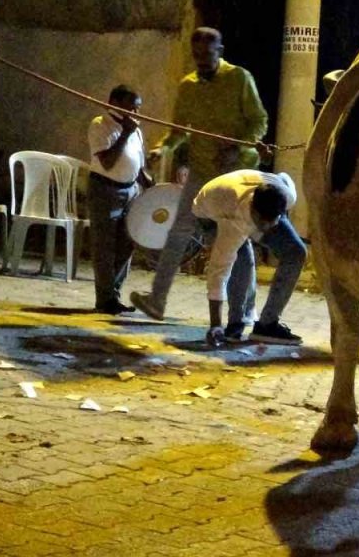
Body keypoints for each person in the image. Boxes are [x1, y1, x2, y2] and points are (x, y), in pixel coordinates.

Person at [131, 27, 269, 320]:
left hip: (236, 172)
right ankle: (157, 300)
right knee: (178, 232)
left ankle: (245, 310)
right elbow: (178, 132)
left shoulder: (239, 79)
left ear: (220, 50)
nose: (201, 61)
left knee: (238, 240)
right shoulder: (188, 86)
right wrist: (162, 149)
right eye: (197, 56)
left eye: (207, 55)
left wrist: (236, 146)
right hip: (202, 170)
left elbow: (259, 121)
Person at [192, 169, 306, 346]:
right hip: (209, 210)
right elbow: (218, 272)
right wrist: (215, 324)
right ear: (254, 211)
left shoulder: (287, 196)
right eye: (263, 223)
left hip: (248, 191)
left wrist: (273, 225)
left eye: (273, 221)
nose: (268, 228)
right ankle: (234, 326)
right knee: (241, 261)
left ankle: (267, 325)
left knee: (296, 251)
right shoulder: (234, 222)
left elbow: (284, 177)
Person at [87, 85, 151, 314]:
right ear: (114, 102)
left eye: (138, 107)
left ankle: (113, 294)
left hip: (131, 190)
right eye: (132, 106)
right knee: (105, 247)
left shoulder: (136, 130)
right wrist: (125, 132)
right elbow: (107, 162)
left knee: (127, 243)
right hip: (106, 190)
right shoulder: (100, 125)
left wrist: (151, 187)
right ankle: (104, 300)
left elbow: (140, 165)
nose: (136, 112)